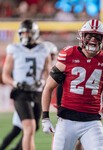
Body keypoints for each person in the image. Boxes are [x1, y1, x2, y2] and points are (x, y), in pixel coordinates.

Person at [41, 19, 103, 150]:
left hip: (92, 122)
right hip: (66, 120)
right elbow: (48, 87)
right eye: (89, 36)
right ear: (82, 37)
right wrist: (45, 117)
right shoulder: (69, 55)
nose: (93, 40)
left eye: (97, 36)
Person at [2, 19, 51, 150]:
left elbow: (48, 72)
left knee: (33, 129)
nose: (25, 36)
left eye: (28, 33)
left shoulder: (44, 49)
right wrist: (15, 83)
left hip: (37, 92)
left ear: (35, 33)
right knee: (28, 127)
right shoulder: (14, 49)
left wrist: (44, 81)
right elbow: (5, 75)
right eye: (23, 33)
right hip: (21, 92)